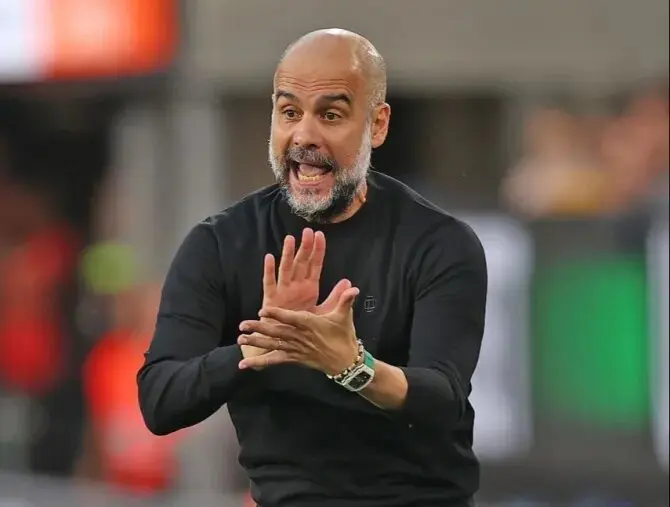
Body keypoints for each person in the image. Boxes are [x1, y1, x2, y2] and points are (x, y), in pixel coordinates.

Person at [138, 29, 487, 507]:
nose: (304, 136)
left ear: (377, 125)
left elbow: (443, 398)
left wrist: (351, 366)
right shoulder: (218, 244)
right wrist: (260, 346)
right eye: (289, 112)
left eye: (330, 115)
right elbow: (160, 400)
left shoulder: (439, 243)